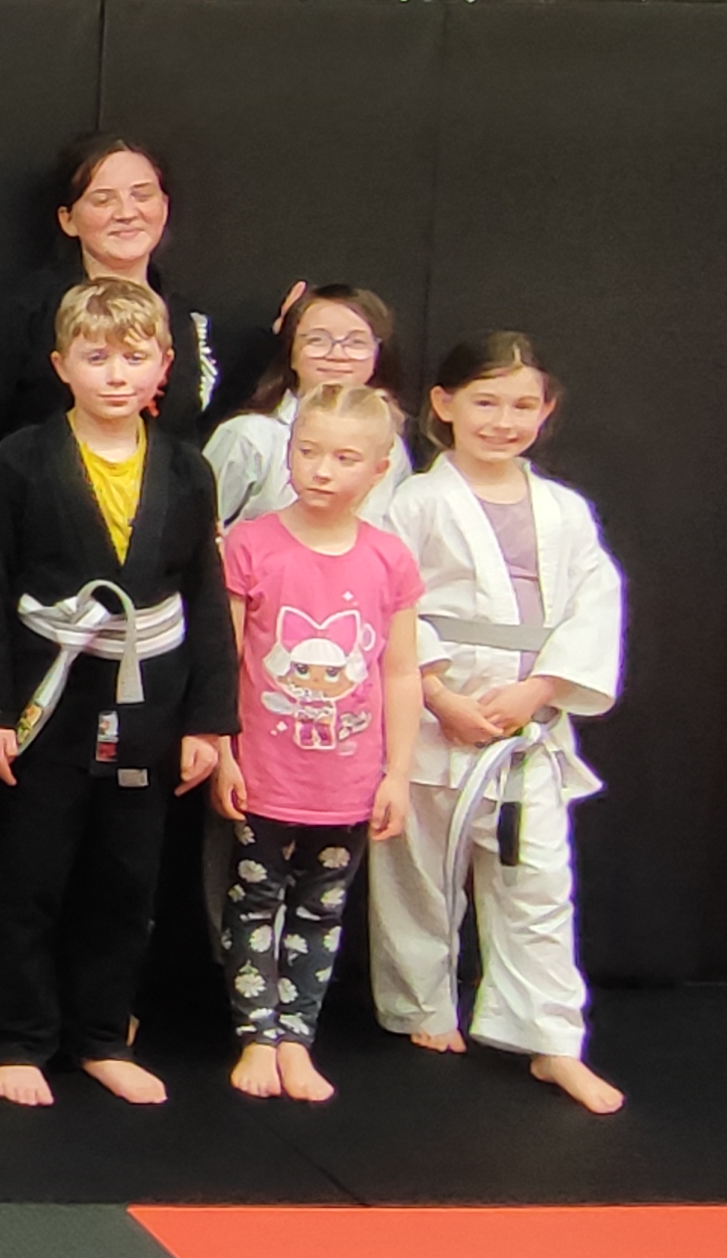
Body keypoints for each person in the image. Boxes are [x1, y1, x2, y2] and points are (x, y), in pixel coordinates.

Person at [0, 278, 238, 1107]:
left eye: (134, 357)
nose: (116, 374)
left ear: (164, 366)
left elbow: (206, 595)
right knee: (30, 869)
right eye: (96, 356)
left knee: (126, 876)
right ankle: (11, 1035)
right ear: (61, 365)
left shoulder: (186, 469)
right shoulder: (20, 460)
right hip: (46, 692)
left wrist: (209, 721)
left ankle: (100, 1033)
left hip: (151, 694)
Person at [367, 335, 625, 1114]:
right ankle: (422, 1004)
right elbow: (385, 601)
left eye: (522, 405)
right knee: (416, 877)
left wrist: (540, 688)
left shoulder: (565, 511)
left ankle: (552, 1041)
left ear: (546, 411)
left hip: (525, 726)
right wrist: (439, 695)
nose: (503, 421)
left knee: (538, 886)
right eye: (485, 402)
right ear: (443, 404)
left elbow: (594, 607)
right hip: (434, 716)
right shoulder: (413, 502)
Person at [207, 383, 420, 1105]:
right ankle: (256, 1035)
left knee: (322, 908)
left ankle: (298, 1036)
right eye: (308, 451)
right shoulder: (251, 545)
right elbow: (227, 661)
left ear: (380, 470)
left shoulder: (389, 559)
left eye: (345, 458)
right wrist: (225, 752)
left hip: (347, 781)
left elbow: (399, 670)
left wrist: (398, 772)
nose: (322, 470)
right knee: (252, 900)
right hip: (265, 771)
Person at [0, 133, 222, 498]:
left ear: (164, 207)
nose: (126, 212)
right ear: (68, 219)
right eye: (103, 199)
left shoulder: (187, 321)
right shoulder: (22, 312)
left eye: (142, 195)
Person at [205, 284, 405, 529]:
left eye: (356, 342)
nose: (337, 354)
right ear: (291, 351)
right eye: (317, 340)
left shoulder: (391, 446)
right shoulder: (249, 436)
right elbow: (200, 528)